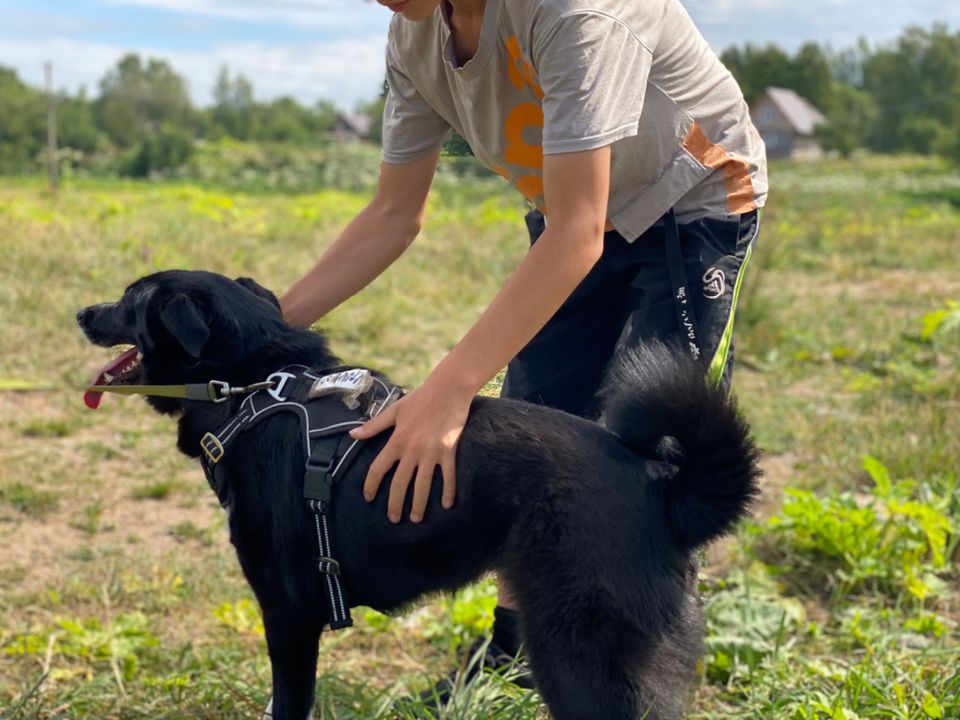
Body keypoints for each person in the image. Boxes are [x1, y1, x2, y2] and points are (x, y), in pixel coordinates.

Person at [280, 0, 766, 694]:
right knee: (534, 439)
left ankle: (639, 677)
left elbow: (578, 230)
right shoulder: (413, 35)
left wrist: (449, 388)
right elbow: (393, 214)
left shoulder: (572, 11)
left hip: (694, 198)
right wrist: (264, 322)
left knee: (657, 456)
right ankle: (511, 660)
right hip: (576, 214)